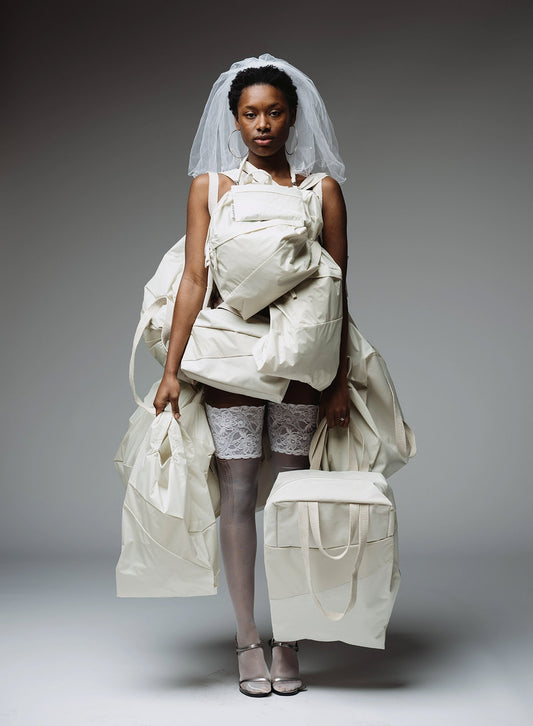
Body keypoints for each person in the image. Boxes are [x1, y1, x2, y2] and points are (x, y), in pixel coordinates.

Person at [152, 54, 350, 697]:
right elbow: (193, 279)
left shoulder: (321, 190)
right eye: (250, 114)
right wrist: (172, 370)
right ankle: (246, 639)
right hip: (228, 358)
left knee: (289, 497)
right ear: (234, 120)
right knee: (237, 492)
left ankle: (287, 639)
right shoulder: (210, 188)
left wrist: (338, 378)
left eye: (274, 112)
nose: (262, 125)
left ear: (291, 117)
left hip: (299, 362)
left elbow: (337, 291)